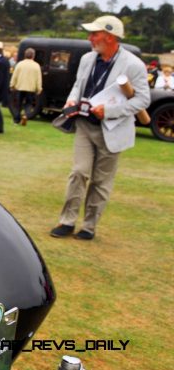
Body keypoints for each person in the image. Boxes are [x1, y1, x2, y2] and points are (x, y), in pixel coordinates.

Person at [51, 15, 150, 240]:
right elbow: (78, 85)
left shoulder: (134, 65)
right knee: (78, 172)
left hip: (113, 129)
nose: (90, 38)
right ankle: (66, 221)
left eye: (94, 34)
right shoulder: (87, 58)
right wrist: (71, 100)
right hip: (85, 124)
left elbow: (142, 101)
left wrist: (110, 111)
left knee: (101, 181)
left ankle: (88, 226)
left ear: (110, 36)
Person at [10, 47, 43, 125]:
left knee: (18, 104)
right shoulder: (36, 66)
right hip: (31, 89)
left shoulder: (20, 64)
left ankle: (16, 120)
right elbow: (39, 78)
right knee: (28, 104)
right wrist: (39, 88)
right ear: (33, 56)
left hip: (20, 87)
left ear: (25, 55)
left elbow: (15, 75)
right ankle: (26, 115)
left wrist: (12, 85)